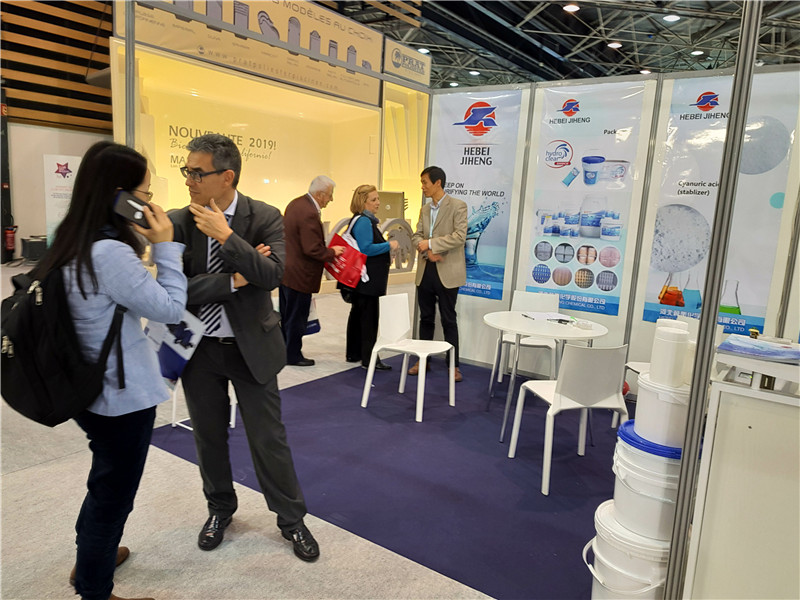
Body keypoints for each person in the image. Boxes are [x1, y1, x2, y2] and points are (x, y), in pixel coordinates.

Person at [34, 141, 187, 600]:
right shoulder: (109, 253)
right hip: (119, 397)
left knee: (105, 480)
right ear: (121, 196)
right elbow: (170, 308)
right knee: (113, 496)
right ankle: (94, 588)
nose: (150, 201)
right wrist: (166, 246)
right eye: (144, 192)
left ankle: (90, 560)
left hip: (87, 387)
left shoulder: (70, 238)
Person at [169, 134, 319, 562]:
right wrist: (235, 278)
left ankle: (291, 519)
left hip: (251, 346)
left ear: (227, 176)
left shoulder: (264, 216)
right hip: (199, 349)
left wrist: (226, 236)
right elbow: (175, 290)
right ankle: (220, 509)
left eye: (197, 173)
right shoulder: (180, 221)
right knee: (208, 437)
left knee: (268, 439)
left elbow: (273, 275)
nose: (189, 180)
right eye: (187, 171)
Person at [409, 166, 468, 382]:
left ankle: (453, 365)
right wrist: (426, 248)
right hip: (426, 270)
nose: (422, 187)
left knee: (448, 319)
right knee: (425, 318)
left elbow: (459, 236)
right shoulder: (425, 209)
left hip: (448, 271)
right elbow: (416, 235)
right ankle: (422, 360)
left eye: (425, 182)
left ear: (437, 183)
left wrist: (432, 244)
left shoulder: (458, 206)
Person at [280, 175, 344, 366]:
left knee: (287, 315)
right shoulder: (309, 212)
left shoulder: (295, 204)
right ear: (320, 194)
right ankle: (292, 355)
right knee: (297, 317)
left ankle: (284, 351)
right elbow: (312, 248)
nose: (331, 199)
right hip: (300, 274)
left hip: (287, 272)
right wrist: (332, 252)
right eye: (329, 195)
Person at [338, 184, 399, 369]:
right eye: (373, 200)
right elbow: (366, 248)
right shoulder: (364, 221)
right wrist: (389, 245)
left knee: (358, 315)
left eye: (378, 198)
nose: (378, 202)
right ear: (363, 202)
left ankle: (354, 353)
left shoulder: (359, 220)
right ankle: (369, 358)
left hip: (362, 280)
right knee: (369, 319)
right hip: (368, 281)